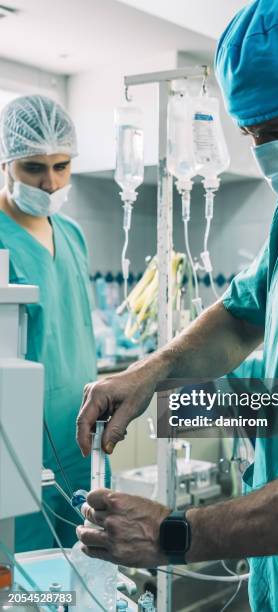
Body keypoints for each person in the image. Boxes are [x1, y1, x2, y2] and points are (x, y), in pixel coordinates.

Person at [76, 0, 278, 610]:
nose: (265, 157)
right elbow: (241, 316)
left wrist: (175, 534)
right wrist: (152, 374)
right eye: (252, 136)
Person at [0, 94, 98, 552]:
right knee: (24, 580)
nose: (51, 182)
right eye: (33, 168)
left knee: (81, 569)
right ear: (6, 163)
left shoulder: (73, 234)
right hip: (18, 440)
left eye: (61, 166)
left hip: (79, 433)